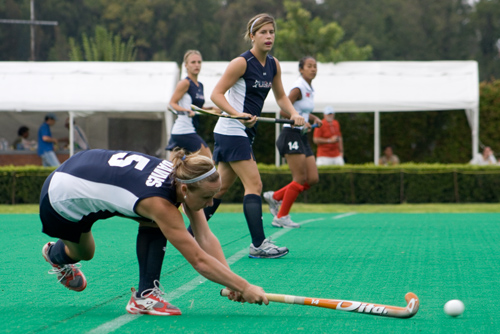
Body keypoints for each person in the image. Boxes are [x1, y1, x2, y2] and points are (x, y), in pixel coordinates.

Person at [40, 148, 268, 316]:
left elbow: (204, 236)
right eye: (207, 198)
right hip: (62, 197)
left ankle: (145, 294)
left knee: (155, 219)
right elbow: (199, 261)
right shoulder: (160, 202)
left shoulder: (182, 176)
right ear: (186, 189)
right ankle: (56, 256)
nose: (210, 205)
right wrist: (245, 287)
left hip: (85, 171)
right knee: (84, 252)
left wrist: (231, 283)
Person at [203, 13, 305, 259]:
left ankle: (190, 233)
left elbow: (281, 97)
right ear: (252, 36)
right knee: (255, 185)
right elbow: (216, 95)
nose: (269, 37)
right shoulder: (241, 62)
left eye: (271, 32)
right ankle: (259, 244)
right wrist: (237, 114)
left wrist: (293, 113)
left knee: (220, 187)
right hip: (231, 129)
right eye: (263, 32)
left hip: (244, 131)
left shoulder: (273, 64)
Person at [263, 56, 321, 228]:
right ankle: (281, 216)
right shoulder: (298, 87)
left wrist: (312, 117)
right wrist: (298, 118)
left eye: (315, 66)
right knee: (299, 178)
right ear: (301, 69)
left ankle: (275, 197)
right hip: (291, 135)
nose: (313, 69)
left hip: (301, 136)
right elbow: (283, 110)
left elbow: (301, 110)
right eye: (309, 66)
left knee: (312, 179)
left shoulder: (310, 88)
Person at [166, 50, 215, 158]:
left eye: (199, 62)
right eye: (193, 62)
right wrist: (186, 111)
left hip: (187, 131)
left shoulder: (200, 85)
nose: (197, 65)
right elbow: (171, 104)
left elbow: (196, 108)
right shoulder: (185, 83)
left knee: (174, 169)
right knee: (208, 160)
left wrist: (210, 109)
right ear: (186, 65)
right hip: (183, 131)